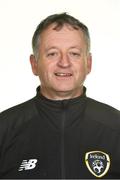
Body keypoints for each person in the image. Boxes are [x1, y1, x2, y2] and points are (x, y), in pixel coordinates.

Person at [0, 12, 120, 179]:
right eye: (52, 53)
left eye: (74, 53)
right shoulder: (4, 128)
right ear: (34, 64)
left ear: (89, 63)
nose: (64, 63)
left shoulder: (116, 127)